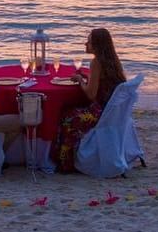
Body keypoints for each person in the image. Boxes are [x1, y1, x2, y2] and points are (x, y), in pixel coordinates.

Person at [52, 28, 127, 173]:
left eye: (89, 41)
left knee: (66, 116)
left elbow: (91, 95)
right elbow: (104, 83)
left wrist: (80, 80)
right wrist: (88, 79)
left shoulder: (96, 62)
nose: (85, 44)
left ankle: (66, 163)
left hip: (101, 113)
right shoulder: (113, 60)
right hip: (112, 112)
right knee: (70, 109)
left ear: (97, 45)